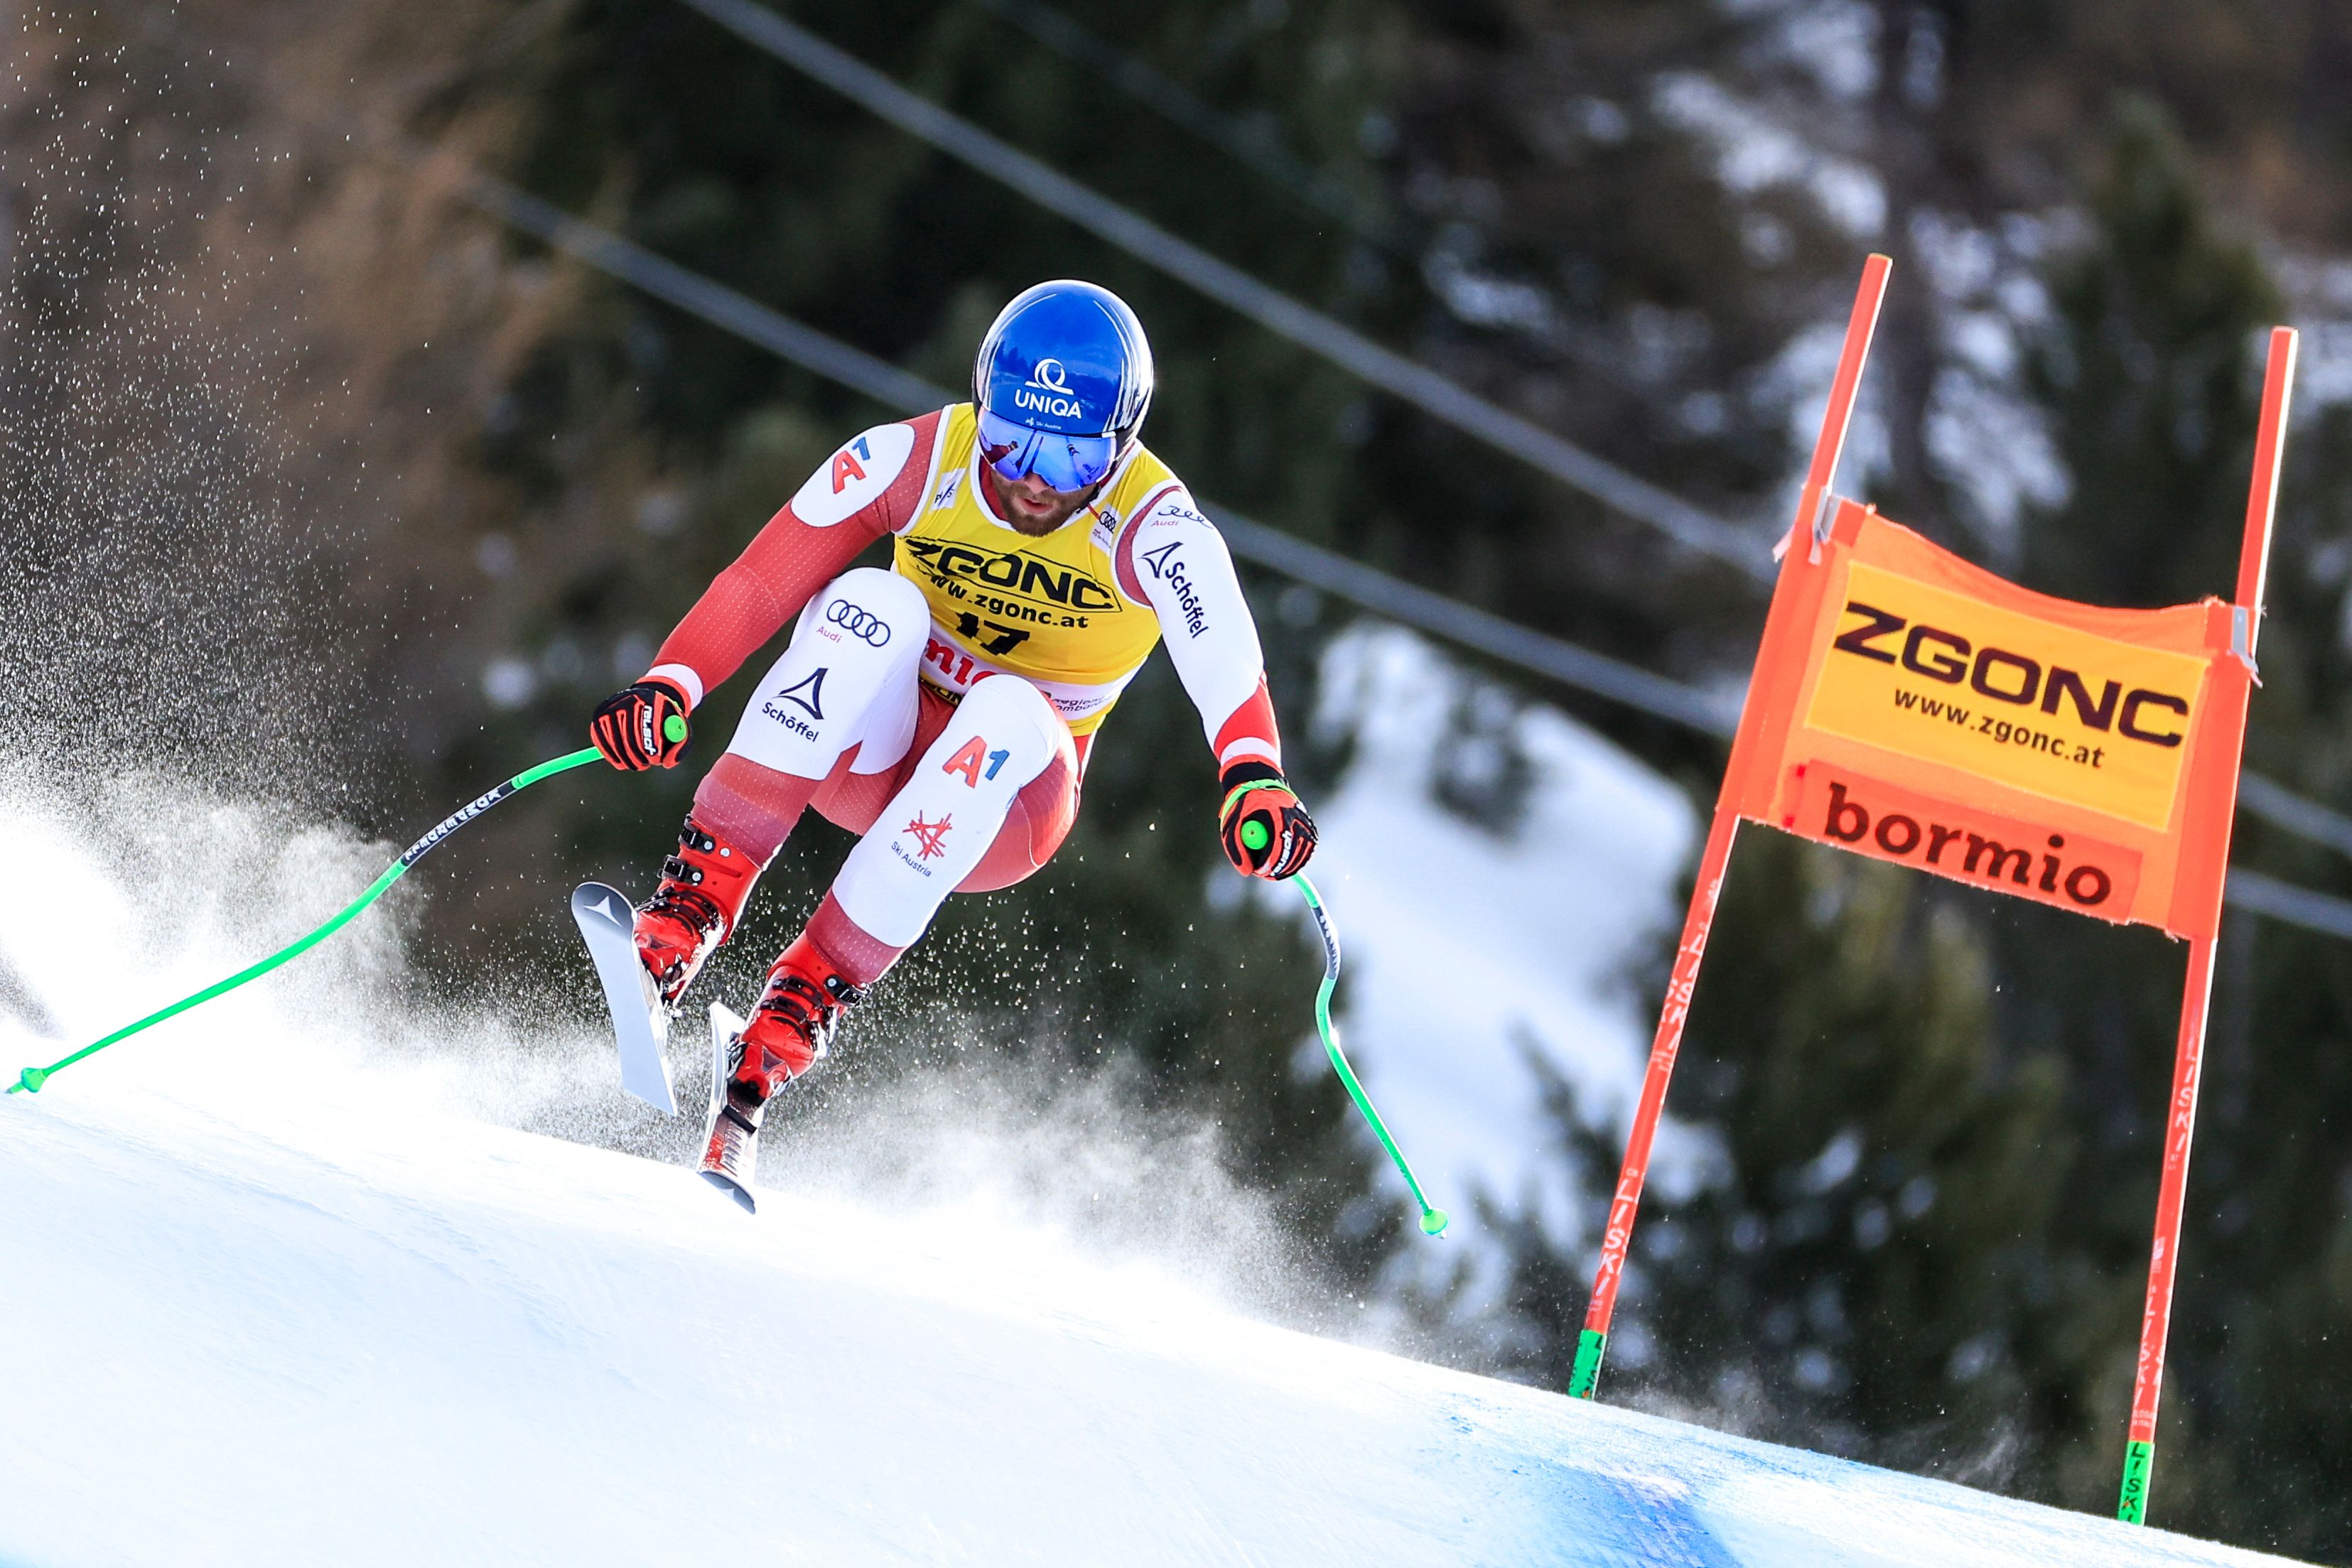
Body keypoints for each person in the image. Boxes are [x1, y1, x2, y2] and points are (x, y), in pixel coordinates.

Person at [587, 280, 1319, 1203]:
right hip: (874, 758)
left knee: (1008, 710)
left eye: (1067, 455)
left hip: (1001, 810)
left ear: (1122, 443)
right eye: (1011, 437)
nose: (1029, 479)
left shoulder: (1155, 527)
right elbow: (762, 580)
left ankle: (774, 1043)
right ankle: (677, 931)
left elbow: (1222, 657)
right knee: (868, 604)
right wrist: (673, 680)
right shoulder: (917, 459)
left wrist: (1252, 773)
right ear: (984, 407)